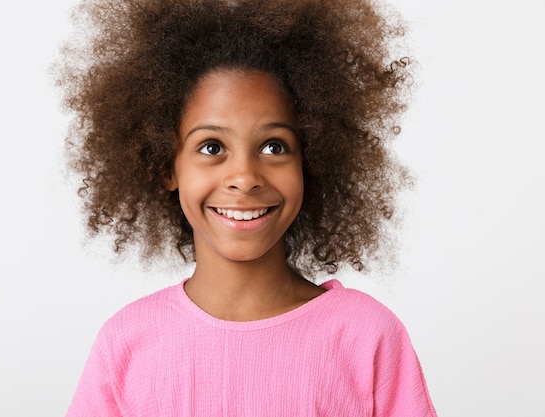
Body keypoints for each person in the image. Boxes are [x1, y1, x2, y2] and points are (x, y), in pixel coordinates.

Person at [56, 0, 437, 415]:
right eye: (212, 147)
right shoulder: (126, 345)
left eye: (274, 146)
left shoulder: (368, 338)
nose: (245, 176)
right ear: (167, 166)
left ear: (311, 161)